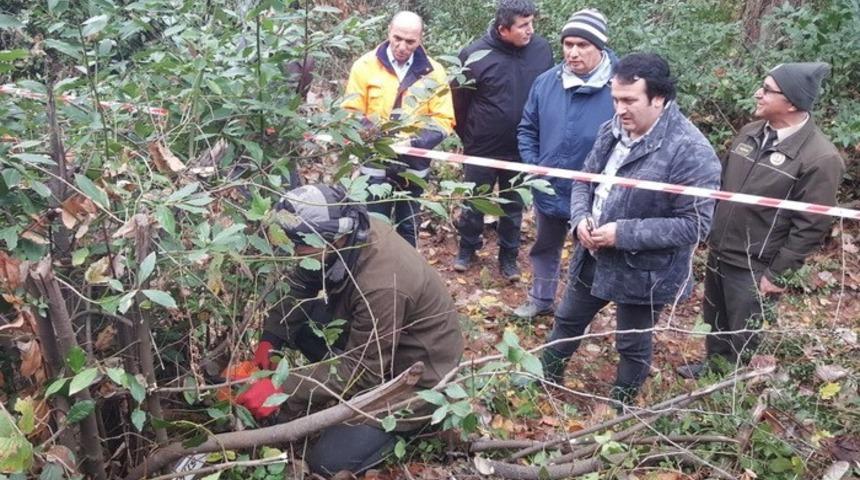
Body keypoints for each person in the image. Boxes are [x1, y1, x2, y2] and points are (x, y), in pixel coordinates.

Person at [235, 184, 464, 474]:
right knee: (303, 325)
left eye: (300, 245)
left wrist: (281, 387)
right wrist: (271, 338)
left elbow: (365, 372)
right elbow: (301, 285)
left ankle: (411, 427)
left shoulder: (382, 284)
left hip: (416, 377)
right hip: (379, 345)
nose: (293, 253)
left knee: (328, 463)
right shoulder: (344, 240)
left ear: (336, 239)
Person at [540, 53, 722, 406]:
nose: (620, 109)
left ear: (659, 98)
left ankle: (620, 407)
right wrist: (579, 219)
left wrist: (622, 233)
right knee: (566, 319)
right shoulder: (613, 128)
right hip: (593, 250)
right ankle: (543, 380)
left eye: (629, 100)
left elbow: (695, 224)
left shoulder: (691, 150)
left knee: (632, 342)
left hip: (644, 271)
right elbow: (584, 180)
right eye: (615, 99)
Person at [677, 63, 844, 379]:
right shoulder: (749, 134)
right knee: (715, 318)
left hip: (757, 265)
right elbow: (723, 186)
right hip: (722, 249)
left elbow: (812, 225)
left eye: (767, 89)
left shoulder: (821, 158)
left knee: (745, 331)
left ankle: (734, 391)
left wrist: (778, 274)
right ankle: (714, 370)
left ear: (792, 102)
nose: (758, 93)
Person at [512, 9, 615, 317]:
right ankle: (541, 299)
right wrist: (534, 165)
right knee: (544, 245)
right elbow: (527, 128)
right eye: (568, 44)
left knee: (591, 255)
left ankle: (577, 313)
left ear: (600, 47)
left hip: (597, 192)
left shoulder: (621, 86)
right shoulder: (546, 83)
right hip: (551, 186)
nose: (573, 52)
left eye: (582, 45)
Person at [451, 0, 553, 281]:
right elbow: (458, 102)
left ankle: (508, 257)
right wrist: (469, 138)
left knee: (513, 204)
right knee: (474, 202)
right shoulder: (474, 55)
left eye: (532, 22)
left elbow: (548, 94)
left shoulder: (541, 51)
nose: (530, 30)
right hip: (482, 147)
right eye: (523, 25)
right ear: (503, 29)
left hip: (522, 147)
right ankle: (467, 249)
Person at [342, 11, 455, 247]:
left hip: (412, 164)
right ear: (388, 33)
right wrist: (376, 137)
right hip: (374, 162)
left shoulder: (434, 71)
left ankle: (409, 278)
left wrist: (412, 143)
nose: (402, 46)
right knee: (373, 224)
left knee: (408, 226)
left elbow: (443, 120)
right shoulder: (365, 66)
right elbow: (350, 112)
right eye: (397, 38)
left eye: (410, 41)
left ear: (421, 39)